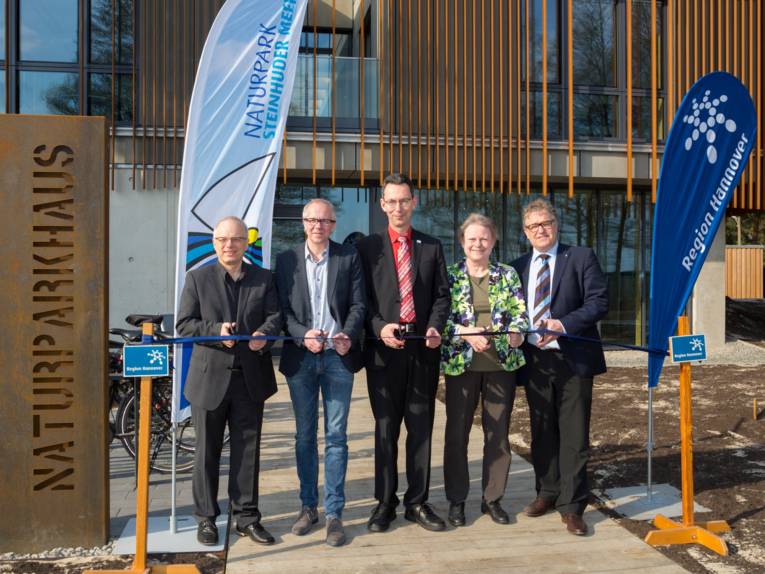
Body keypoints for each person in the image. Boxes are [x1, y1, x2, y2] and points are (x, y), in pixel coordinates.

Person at [176, 215, 282, 546]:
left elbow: (276, 317)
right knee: (206, 453)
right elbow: (184, 324)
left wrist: (265, 334)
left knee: (247, 453)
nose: (229, 245)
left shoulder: (264, 278)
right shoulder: (197, 278)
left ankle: (247, 518)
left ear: (246, 244)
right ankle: (206, 518)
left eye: (235, 239)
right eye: (222, 240)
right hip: (209, 382)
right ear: (214, 243)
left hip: (250, 379)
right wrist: (215, 331)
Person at [356, 173, 450, 532]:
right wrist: (379, 326)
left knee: (421, 428)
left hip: (422, 350)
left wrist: (435, 326)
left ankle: (418, 502)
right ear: (382, 205)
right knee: (385, 430)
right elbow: (359, 299)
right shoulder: (367, 248)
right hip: (384, 351)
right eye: (391, 201)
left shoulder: (432, 245)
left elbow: (443, 295)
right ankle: (385, 503)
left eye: (404, 200)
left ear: (415, 202)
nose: (398, 207)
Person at [511, 198, 609, 536]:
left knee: (574, 435)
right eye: (533, 225)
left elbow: (599, 302)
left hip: (573, 360)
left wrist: (564, 324)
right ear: (525, 232)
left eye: (546, 223)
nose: (540, 229)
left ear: (556, 224)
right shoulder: (517, 266)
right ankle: (547, 493)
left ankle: (572, 506)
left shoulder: (581, 257)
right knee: (542, 433)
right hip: (535, 361)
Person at [275, 198, 366, 547]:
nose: (318, 226)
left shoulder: (347, 256)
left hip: (336, 358)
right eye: (312, 220)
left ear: (333, 224)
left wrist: (349, 333)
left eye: (325, 221)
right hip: (301, 359)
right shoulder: (286, 260)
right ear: (303, 222)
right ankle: (307, 506)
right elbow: (281, 310)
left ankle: (334, 514)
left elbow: (359, 304)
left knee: (337, 437)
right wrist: (301, 334)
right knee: (304, 437)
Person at [440, 213, 529, 527]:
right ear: (462, 242)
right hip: (460, 366)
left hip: (500, 366)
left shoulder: (507, 274)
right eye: (472, 238)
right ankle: (456, 501)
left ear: (493, 242)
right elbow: (438, 320)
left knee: (498, 435)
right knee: (456, 435)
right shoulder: (449, 275)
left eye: (484, 238)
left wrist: (518, 333)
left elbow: (520, 313)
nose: (478, 244)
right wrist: (465, 332)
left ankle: (492, 499)